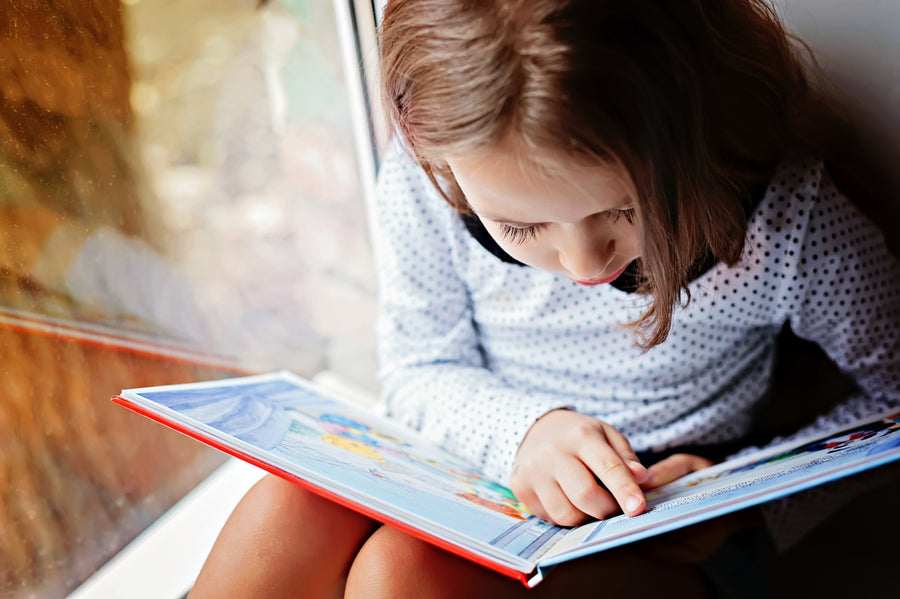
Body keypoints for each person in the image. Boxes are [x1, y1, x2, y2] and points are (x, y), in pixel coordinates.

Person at [188, 0, 900, 597]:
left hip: (668, 532)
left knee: (402, 574)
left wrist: (737, 496)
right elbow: (416, 368)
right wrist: (524, 432)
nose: (582, 260)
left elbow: (893, 400)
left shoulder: (788, 227)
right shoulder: (431, 180)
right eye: (522, 226)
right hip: (478, 477)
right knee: (290, 506)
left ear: (693, 128)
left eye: (626, 209)